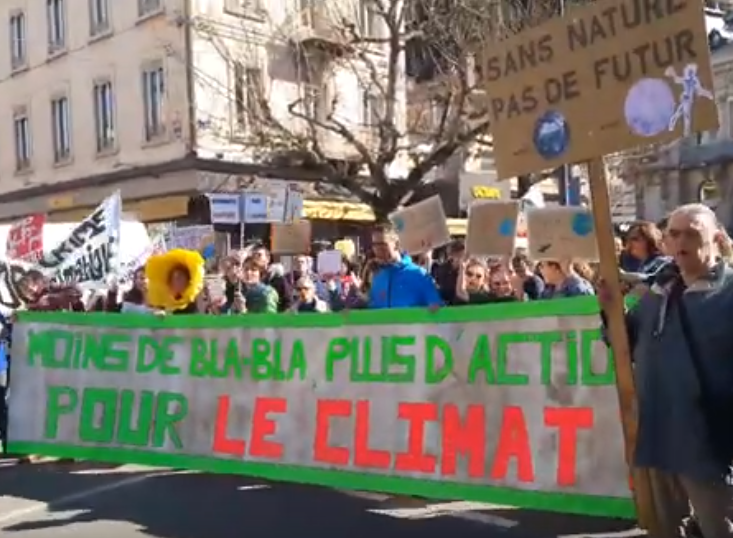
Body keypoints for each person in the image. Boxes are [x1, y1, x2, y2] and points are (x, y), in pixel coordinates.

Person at [600, 204, 733, 538]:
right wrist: (609, 311)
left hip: (707, 439)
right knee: (662, 527)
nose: (681, 241)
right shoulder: (658, 292)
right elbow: (621, 342)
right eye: (674, 233)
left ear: (716, 239)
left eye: (692, 233)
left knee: (719, 528)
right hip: (658, 431)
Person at [368, 225, 442, 309]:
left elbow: (437, 311)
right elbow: (373, 309)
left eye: (382, 244)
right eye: (374, 245)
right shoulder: (377, 276)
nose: (377, 250)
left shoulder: (419, 275)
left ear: (396, 244)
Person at [145, 249, 206, 314]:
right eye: (173, 279)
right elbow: (158, 310)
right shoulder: (164, 298)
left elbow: (201, 312)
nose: (175, 282)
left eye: (179, 277)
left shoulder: (195, 293)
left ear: (188, 280)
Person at [250, 245, 292, 312]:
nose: (256, 257)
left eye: (259, 255)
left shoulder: (278, 278)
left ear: (268, 258)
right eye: (254, 255)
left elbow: (288, 302)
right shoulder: (250, 278)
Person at [433, 240, 465, 305]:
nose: (461, 259)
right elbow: (442, 289)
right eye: (459, 256)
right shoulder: (442, 270)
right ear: (452, 255)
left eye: (462, 256)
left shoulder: (469, 269)